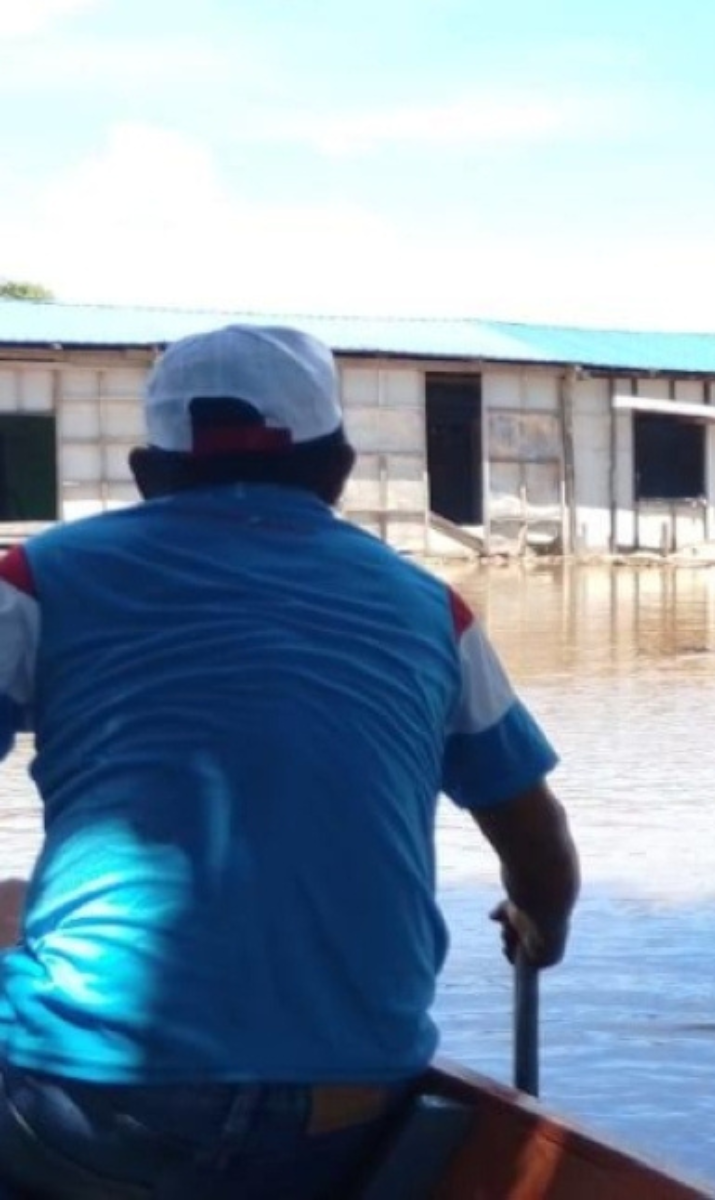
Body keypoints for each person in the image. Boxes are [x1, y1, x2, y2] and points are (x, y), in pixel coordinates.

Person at [0, 324, 580, 1198]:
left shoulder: (35, 581)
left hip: (93, 1103)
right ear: (339, 470)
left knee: (13, 913)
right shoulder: (435, 612)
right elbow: (542, 850)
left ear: (146, 472)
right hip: (347, 1109)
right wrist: (542, 926)